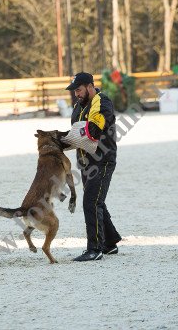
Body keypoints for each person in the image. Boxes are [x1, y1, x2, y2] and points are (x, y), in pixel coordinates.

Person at [65, 72, 122, 262]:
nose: (76, 94)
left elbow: (95, 131)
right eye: (74, 91)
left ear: (90, 86)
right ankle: (110, 243)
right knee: (97, 200)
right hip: (85, 161)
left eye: (79, 90)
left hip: (102, 160)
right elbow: (76, 133)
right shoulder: (78, 107)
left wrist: (73, 135)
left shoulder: (102, 102)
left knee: (91, 202)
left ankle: (95, 249)